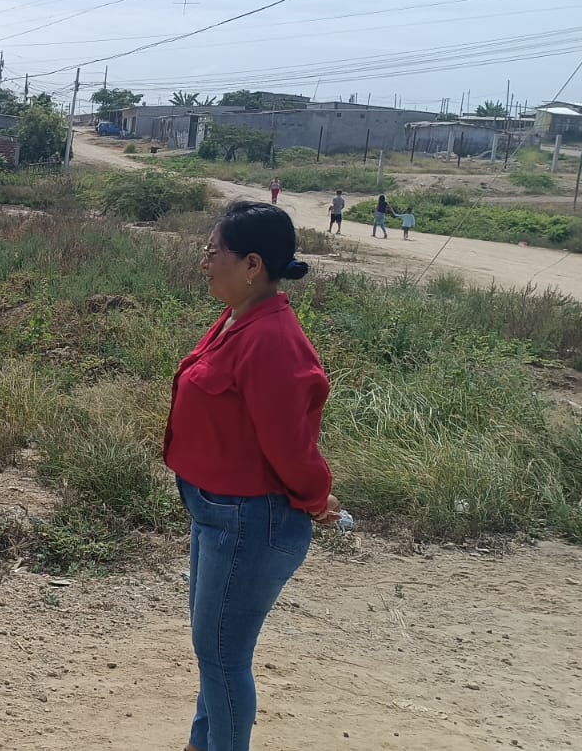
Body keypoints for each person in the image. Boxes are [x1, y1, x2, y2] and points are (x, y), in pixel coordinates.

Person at [165, 200, 341, 751]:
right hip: (217, 513)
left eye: (212, 251)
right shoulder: (239, 319)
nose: (204, 262)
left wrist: (317, 498)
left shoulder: (272, 340)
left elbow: (290, 445)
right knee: (213, 653)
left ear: (252, 265)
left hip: (249, 521)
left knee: (223, 656)